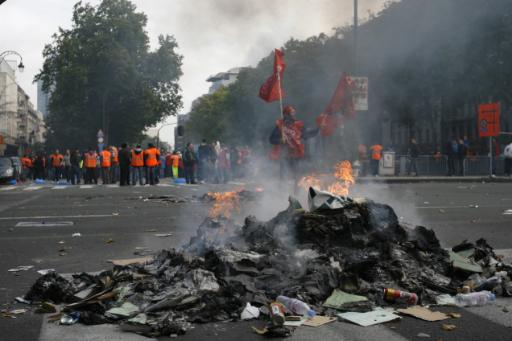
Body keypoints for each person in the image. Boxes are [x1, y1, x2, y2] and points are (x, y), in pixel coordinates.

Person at [269, 105, 318, 185]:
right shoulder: (280, 126)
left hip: (297, 155)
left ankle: (296, 194)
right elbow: (271, 139)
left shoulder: (298, 125)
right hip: (285, 156)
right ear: (285, 115)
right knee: (283, 178)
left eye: (293, 113)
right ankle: (281, 194)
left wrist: (317, 130)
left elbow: (305, 135)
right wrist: (280, 140)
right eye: (291, 114)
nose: (293, 115)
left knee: (297, 177)